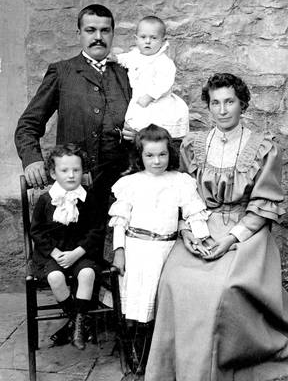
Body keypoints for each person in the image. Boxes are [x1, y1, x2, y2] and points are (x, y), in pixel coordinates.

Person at [145, 73, 288, 381]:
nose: (222, 110)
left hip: (245, 229)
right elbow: (182, 194)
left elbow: (264, 204)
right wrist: (186, 229)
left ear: (243, 105)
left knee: (220, 287)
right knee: (174, 278)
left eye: (229, 102)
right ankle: (174, 367)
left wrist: (230, 240)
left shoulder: (263, 147)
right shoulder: (193, 146)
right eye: (215, 103)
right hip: (201, 223)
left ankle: (216, 366)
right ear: (208, 107)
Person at [15, 4, 133, 255]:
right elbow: (28, 124)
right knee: (79, 257)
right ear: (78, 33)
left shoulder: (127, 73)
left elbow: (151, 121)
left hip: (121, 178)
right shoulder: (62, 71)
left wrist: (139, 135)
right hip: (77, 179)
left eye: (105, 30)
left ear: (113, 34)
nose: (98, 37)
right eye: (91, 30)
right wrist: (32, 159)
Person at [108, 124, 210, 378]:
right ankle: (135, 347)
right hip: (137, 248)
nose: (157, 160)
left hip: (167, 249)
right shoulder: (130, 183)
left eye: (162, 155)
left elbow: (193, 212)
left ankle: (160, 353)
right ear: (140, 156)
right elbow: (120, 220)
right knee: (138, 299)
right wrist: (119, 250)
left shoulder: (180, 181)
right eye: (150, 155)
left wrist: (202, 239)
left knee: (159, 300)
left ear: (170, 154)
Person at [30, 144, 103, 350]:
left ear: (83, 171)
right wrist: (55, 252)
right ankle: (78, 320)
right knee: (55, 277)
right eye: (64, 170)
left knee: (87, 273)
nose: (71, 175)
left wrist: (77, 253)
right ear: (53, 173)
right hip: (52, 255)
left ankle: (76, 326)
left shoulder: (88, 198)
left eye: (76, 170)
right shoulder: (46, 200)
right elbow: (37, 232)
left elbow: (96, 230)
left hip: (81, 252)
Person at [113, 15, 189, 143]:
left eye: (153, 38)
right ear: (136, 39)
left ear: (163, 41)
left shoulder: (163, 62)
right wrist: (116, 58)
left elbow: (164, 82)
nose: (147, 41)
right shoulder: (135, 55)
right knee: (138, 123)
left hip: (157, 101)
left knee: (155, 124)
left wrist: (150, 96)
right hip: (139, 98)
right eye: (143, 37)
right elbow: (125, 59)